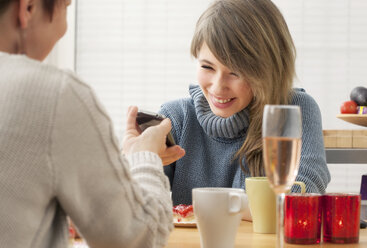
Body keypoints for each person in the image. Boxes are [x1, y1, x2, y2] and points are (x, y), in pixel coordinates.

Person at [0, 0, 174, 247]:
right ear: (28, 8)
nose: (64, 29)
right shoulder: (55, 95)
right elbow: (140, 238)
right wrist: (144, 156)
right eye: (66, 8)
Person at [159, 0, 331, 206]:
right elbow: (133, 210)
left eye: (236, 72)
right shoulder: (176, 119)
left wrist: (209, 205)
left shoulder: (294, 110)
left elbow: (301, 196)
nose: (217, 87)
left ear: (268, 70)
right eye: (207, 67)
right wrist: (136, 159)